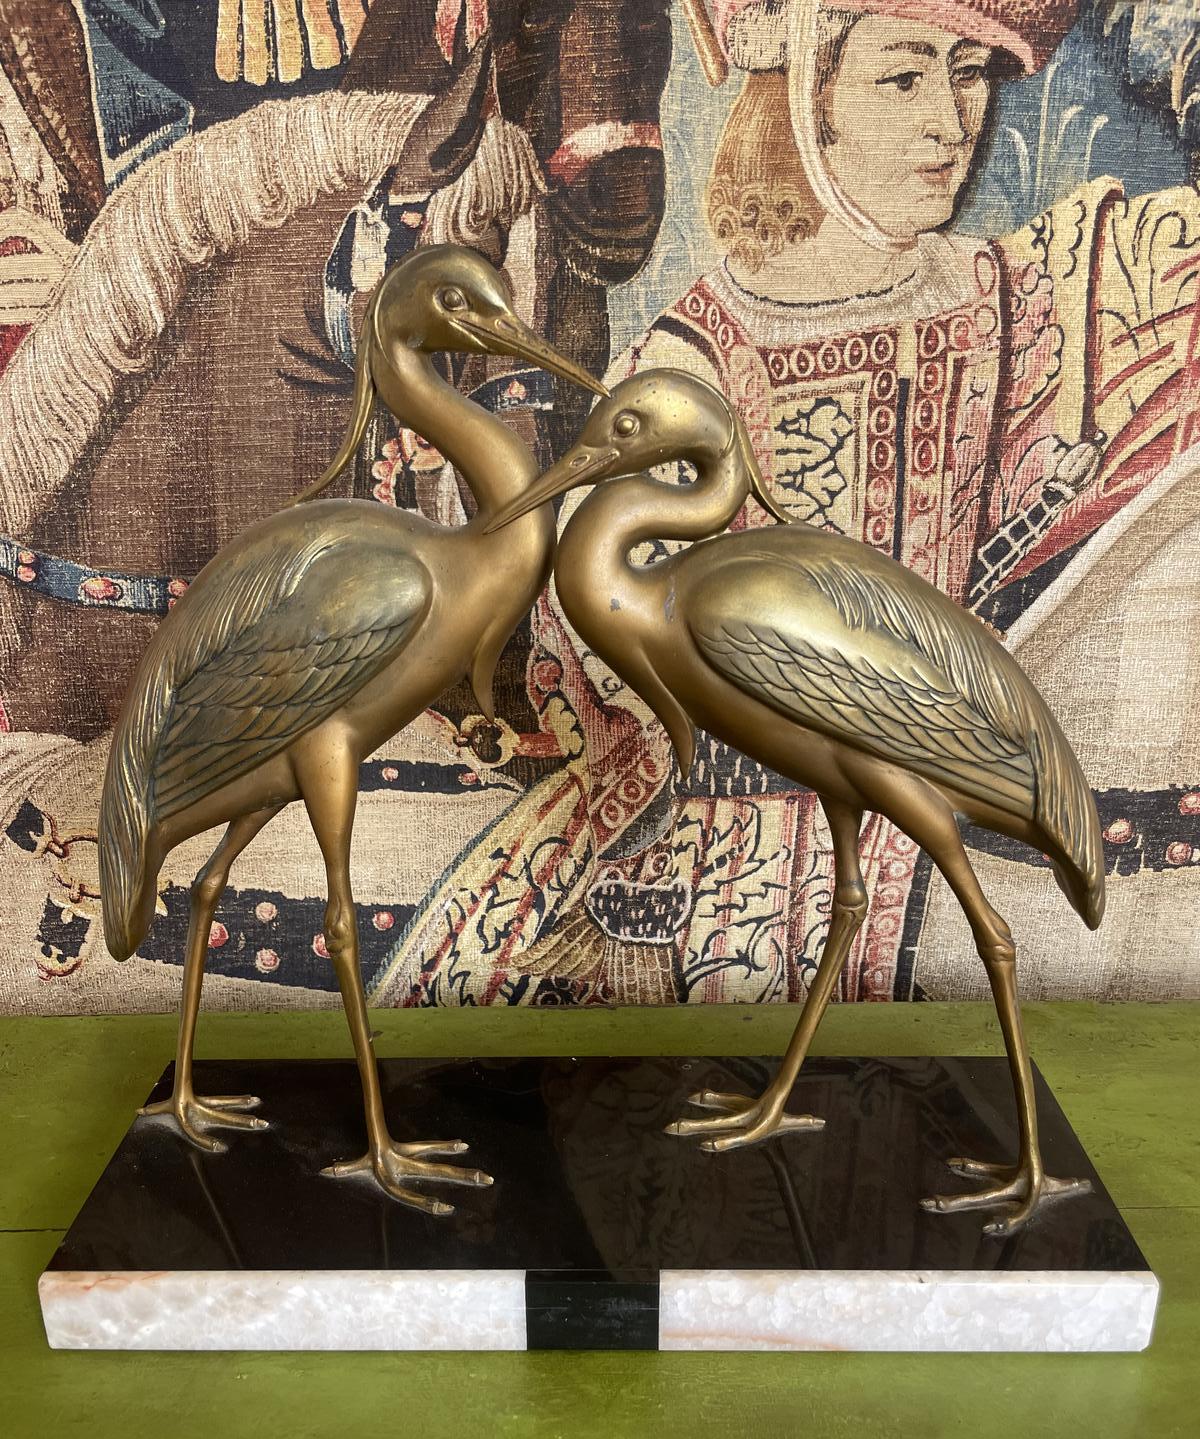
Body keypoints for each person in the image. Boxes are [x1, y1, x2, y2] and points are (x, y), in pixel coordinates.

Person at [373, 0, 1200, 1008]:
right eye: (903, 77)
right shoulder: (695, 363)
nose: (951, 121)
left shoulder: (1037, 295)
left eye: (972, 73)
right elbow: (603, 664)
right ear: (815, 97)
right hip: (742, 843)